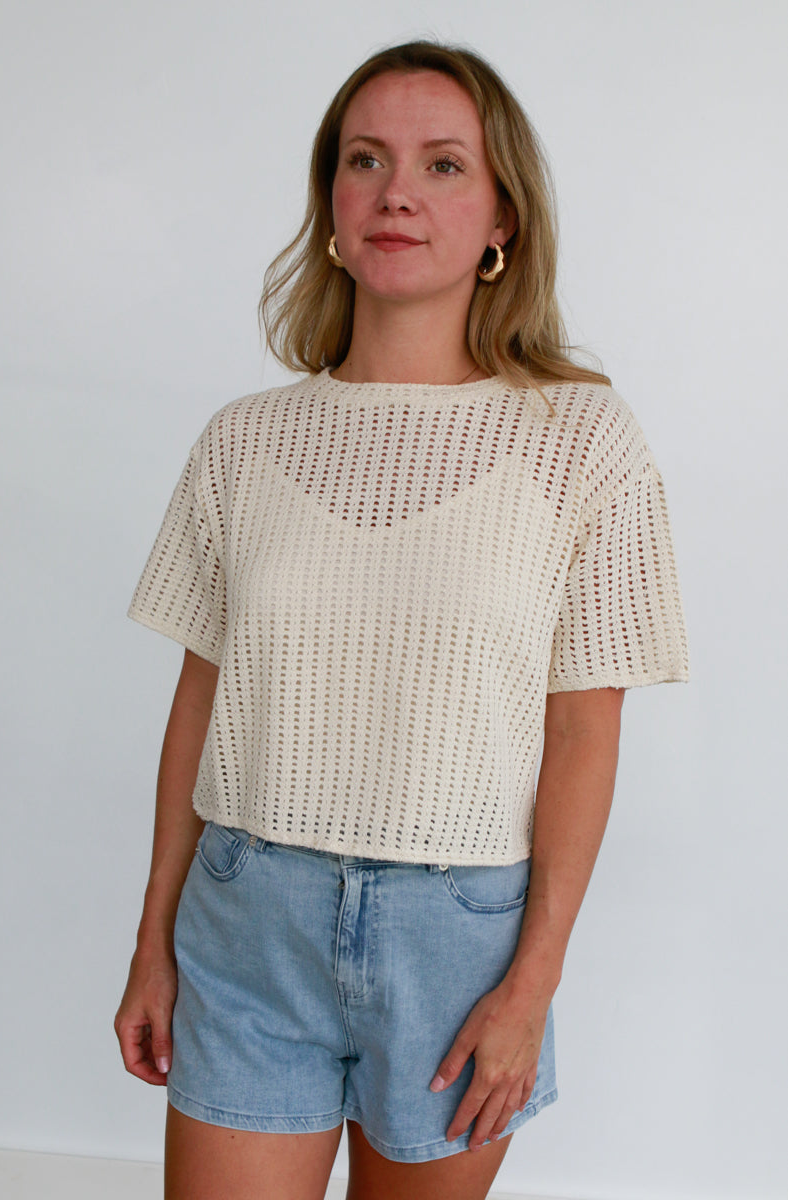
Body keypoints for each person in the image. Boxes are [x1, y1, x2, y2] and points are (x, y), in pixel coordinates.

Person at [114, 39, 689, 1200]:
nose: (396, 193)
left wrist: (532, 984)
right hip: (246, 919)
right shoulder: (242, 442)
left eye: (442, 164)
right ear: (330, 202)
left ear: (501, 219)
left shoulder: (581, 440)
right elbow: (200, 701)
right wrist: (151, 943)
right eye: (365, 159)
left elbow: (583, 730)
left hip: (457, 939)